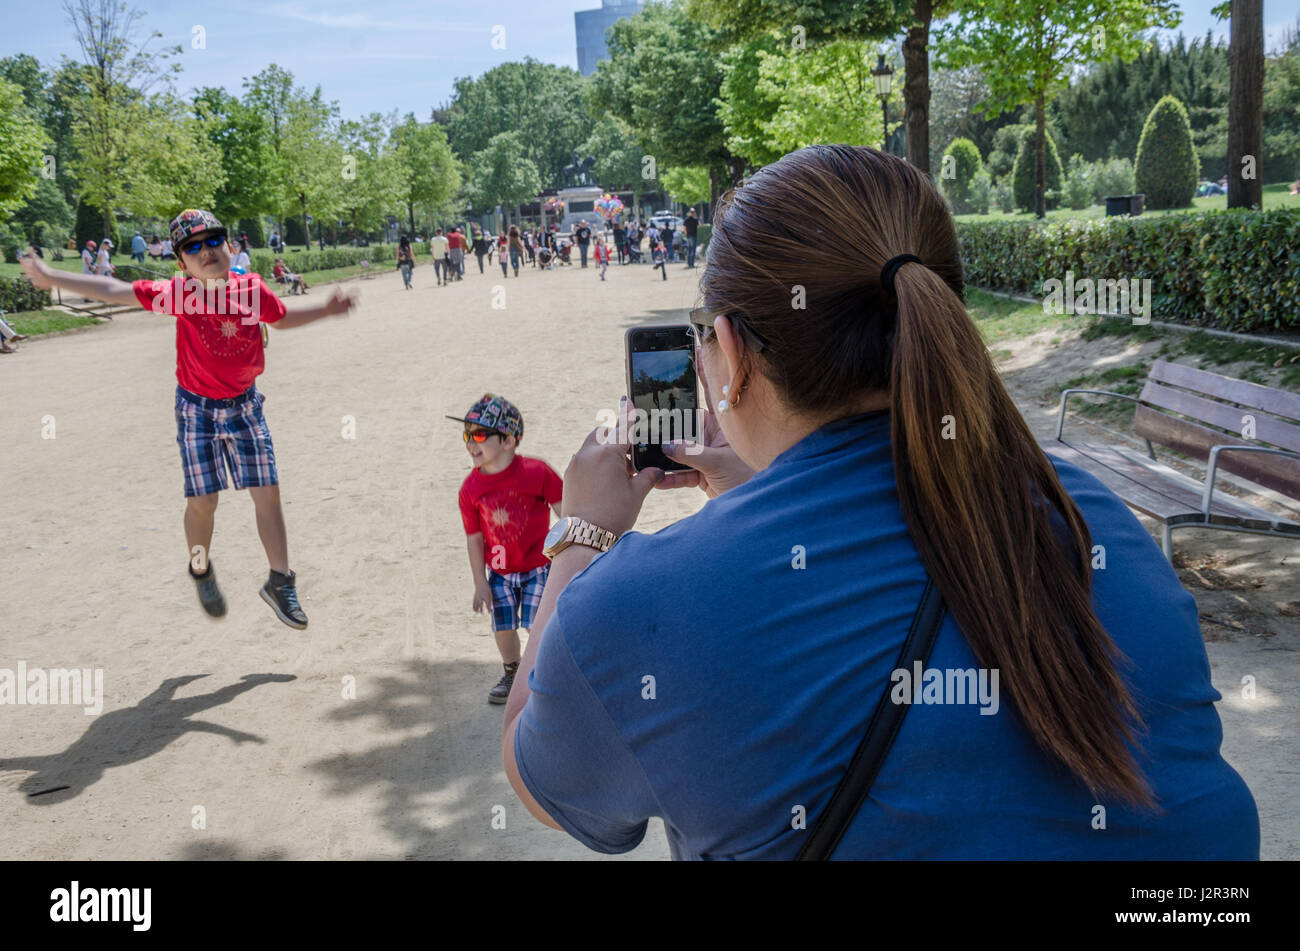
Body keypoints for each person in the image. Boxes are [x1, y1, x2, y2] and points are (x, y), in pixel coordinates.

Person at [500, 144, 1260, 861]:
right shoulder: (1095, 519)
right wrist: (766, 494)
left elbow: (534, 770)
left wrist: (582, 536)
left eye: (701, 335)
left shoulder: (633, 610)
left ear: (728, 357)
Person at [20, 208, 356, 628]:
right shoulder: (180, 295)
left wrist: (325, 309)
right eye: (192, 248)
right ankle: (200, 568)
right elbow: (113, 288)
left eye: (213, 241)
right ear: (182, 264)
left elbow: (282, 319)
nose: (206, 251)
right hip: (196, 409)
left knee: (266, 492)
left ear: (230, 247)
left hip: (246, 406)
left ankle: (280, 580)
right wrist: (53, 278)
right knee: (203, 502)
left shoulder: (250, 289)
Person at [448, 394, 563, 704]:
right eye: (467, 435)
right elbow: (474, 538)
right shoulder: (470, 489)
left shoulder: (537, 473)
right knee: (503, 627)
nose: (471, 442)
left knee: (535, 623)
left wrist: (573, 552)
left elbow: (566, 509)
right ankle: (512, 672)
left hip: (539, 566)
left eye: (480, 434)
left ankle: (546, 672)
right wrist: (479, 581)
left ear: (509, 440)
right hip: (499, 572)